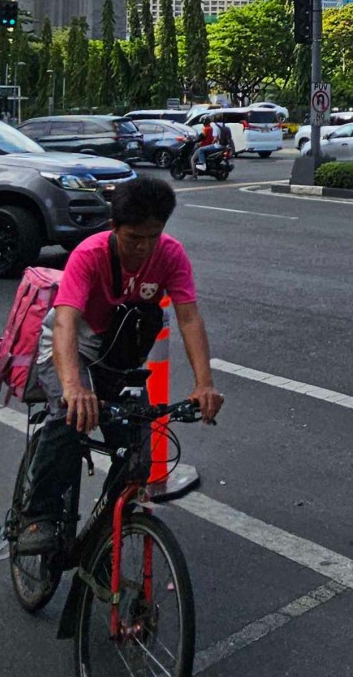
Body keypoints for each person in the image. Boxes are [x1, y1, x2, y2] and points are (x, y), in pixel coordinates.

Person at [15, 177, 223, 555]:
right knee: (70, 415)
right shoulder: (89, 254)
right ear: (114, 228)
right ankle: (37, 516)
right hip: (71, 347)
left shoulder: (171, 255)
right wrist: (74, 386)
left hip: (120, 358)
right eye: (133, 238)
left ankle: (104, 533)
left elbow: (189, 318)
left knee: (137, 457)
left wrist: (203, 383)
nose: (144, 247)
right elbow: (64, 322)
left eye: (153, 236)